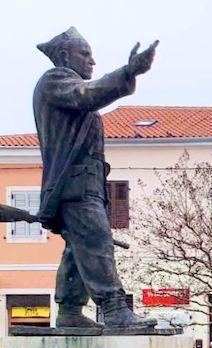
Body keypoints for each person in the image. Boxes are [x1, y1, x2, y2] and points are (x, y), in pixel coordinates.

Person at [33, 28, 159, 329]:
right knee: (96, 243)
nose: (92, 61)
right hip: (74, 184)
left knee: (78, 248)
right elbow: (86, 95)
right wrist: (127, 72)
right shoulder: (55, 81)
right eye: (85, 54)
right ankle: (114, 309)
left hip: (87, 184)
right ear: (65, 56)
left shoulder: (65, 88)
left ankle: (69, 311)